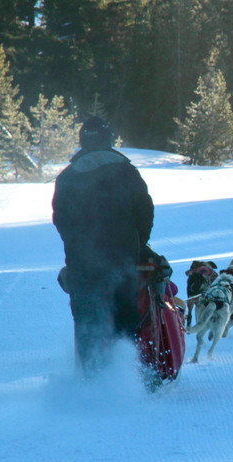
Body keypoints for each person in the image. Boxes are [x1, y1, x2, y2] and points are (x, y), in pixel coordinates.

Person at [52, 116, 154, 374]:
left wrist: (76, 247)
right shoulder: (126, 170)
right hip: (123, 259)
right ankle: (126, 377)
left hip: (83, 263)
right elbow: (145, 211)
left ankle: (89, 378)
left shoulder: (68, 176)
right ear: (108, 138)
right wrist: (138, 245)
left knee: (87, 321)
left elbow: (60, 219)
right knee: (125, 318)